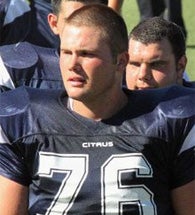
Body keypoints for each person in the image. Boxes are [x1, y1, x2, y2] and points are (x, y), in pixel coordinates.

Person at [0, 4, 194, 214]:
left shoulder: (170, 117)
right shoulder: (24, 118)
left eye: (86, 54)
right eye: (66, 52)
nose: (72, 64)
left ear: (120, 62)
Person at [0, 0, 108, 92]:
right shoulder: (12, 69)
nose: (81, 31)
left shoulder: (121, 68)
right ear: (54, 23)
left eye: (92, 21)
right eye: (72, 22)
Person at [125, 16, 195, 90]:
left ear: (180, 66)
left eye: (156, 64)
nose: (142, 75)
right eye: (135, 64)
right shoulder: (115, 98)